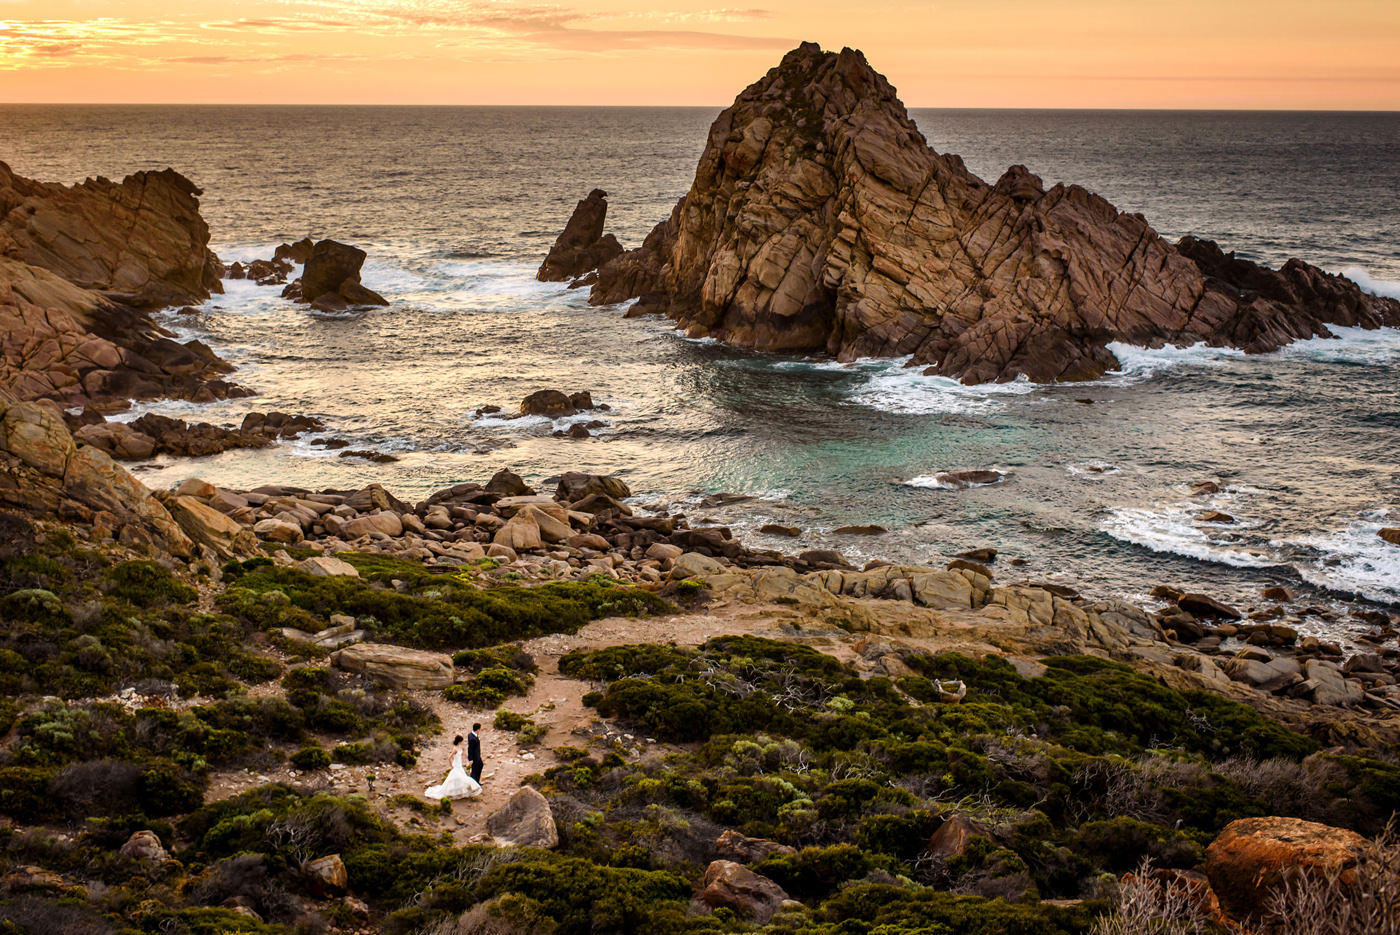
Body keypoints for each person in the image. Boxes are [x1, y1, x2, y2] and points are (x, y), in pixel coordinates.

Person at [424, 735, 481, 801]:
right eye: (462, 741)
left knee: (461, 778)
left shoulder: (461, 748)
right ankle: (453, 793)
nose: (463, 742)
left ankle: (459, 792)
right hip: (456, 765)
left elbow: (465, 755)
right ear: (459, 741)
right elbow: (449, 758)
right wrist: (451, 766)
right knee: (458, 778)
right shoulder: (455, 749)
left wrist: (470, 760)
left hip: (460, 765)